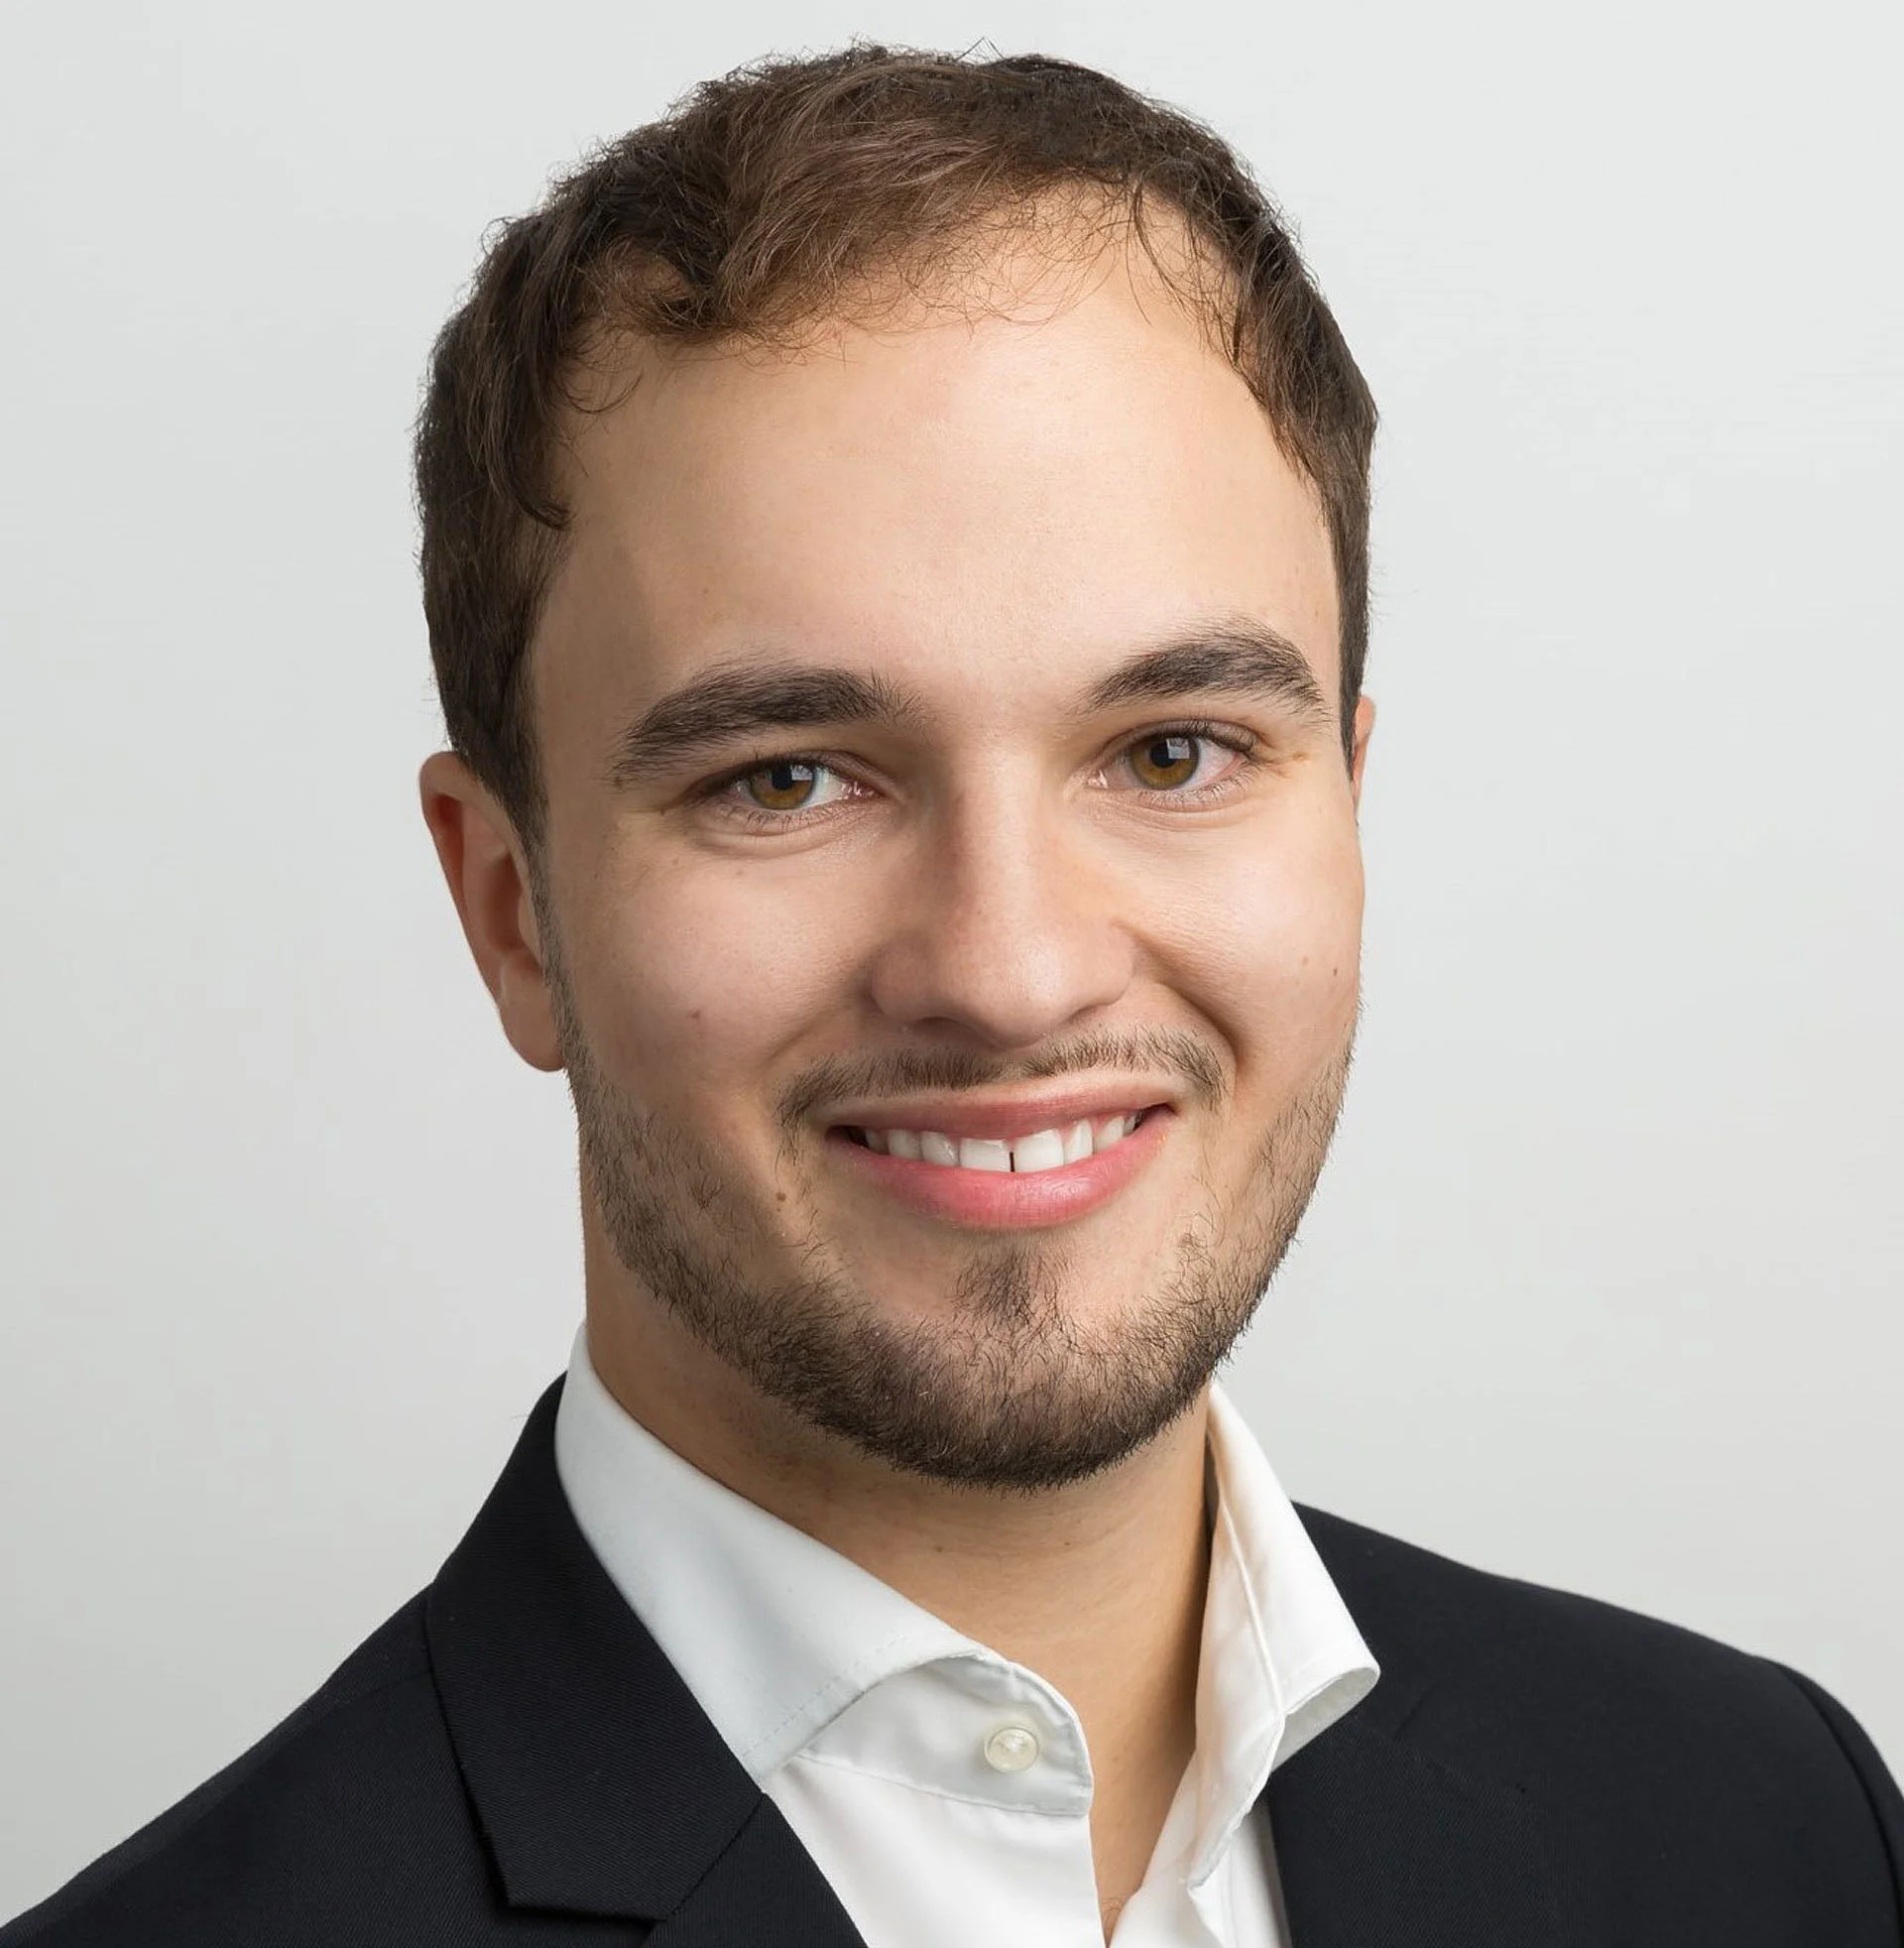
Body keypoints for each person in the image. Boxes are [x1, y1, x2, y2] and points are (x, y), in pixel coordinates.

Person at [6, 41, 1899, 1948]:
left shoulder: (1770, 1832)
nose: (1011, 972)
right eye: (788, 779)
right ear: (513, 912)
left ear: (1347, 803)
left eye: (1172, 752)